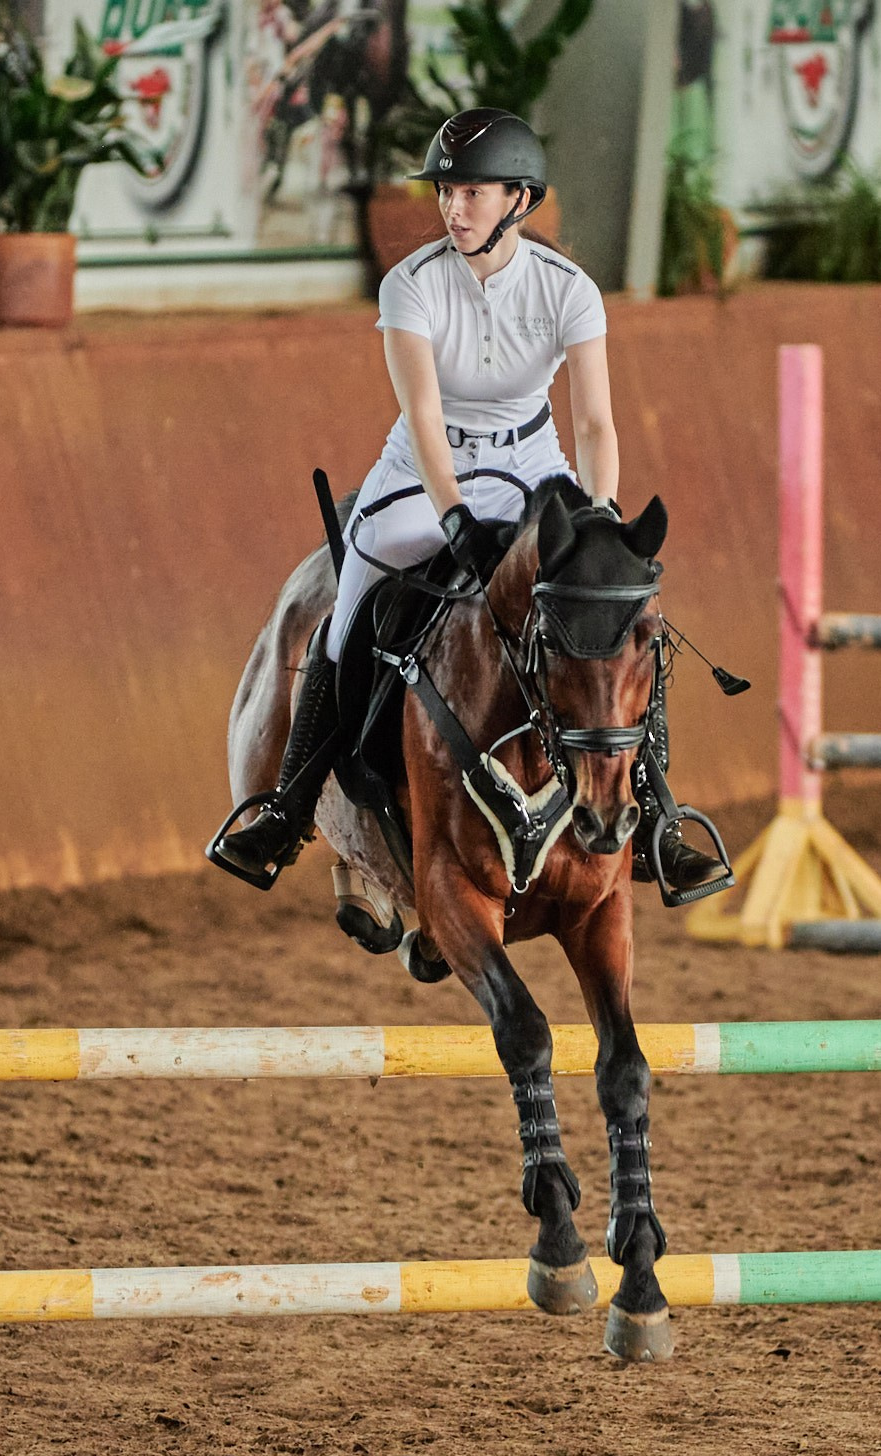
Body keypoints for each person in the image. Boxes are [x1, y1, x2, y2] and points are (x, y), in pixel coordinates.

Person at [211, 107, 732, 900]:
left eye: (473, 192)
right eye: (446, 192)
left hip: (533, 465)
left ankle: (657, 821)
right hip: (422, 472)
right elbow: (423, 416)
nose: (453, 208)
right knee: (346, 614)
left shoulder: (570, 291)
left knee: (618, 620)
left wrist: (598, 513)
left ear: (519, 199)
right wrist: (451, 512)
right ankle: (288, 809)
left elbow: (594, 420)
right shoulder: (411, 285)